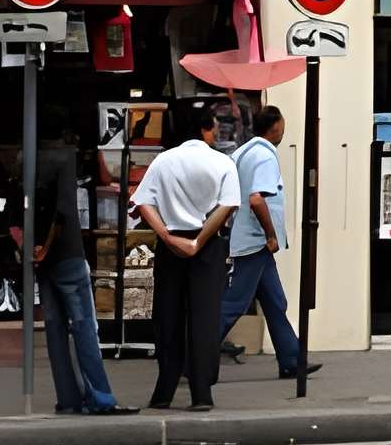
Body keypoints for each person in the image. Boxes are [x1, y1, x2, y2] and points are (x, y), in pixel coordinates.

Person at [131, 107, 239, 411]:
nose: (217, 133)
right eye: (215, 128)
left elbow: (142, 202)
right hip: (208, 243)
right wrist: (199, 240)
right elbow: (227, 206)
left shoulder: (163, 161)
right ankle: (201, 393)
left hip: (170, 245)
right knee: (204, 318)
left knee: (169, 317)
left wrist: (166, 235)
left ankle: (164, 390)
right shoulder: (222, 162)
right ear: (205, 129)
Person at [27, 141, 137, 415]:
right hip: (67, 254)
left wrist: (33, 249)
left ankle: (68, 398)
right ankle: (100, 397)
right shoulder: (65, 157)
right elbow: (64, 211)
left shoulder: (26, 158)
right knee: (84, 326)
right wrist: (47, 247)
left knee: (55, 329)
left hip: (43, 261)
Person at [217, 108, 320, 381]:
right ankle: (192, 358)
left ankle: (291, 360)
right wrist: (271, 234)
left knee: (275, 302)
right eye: (282, 124)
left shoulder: (244, 153)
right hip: (255, 242)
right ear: (274, 127)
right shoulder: (264, 156)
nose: (284, 129)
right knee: (234, 304)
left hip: (252, 241)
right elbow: (256, 199)